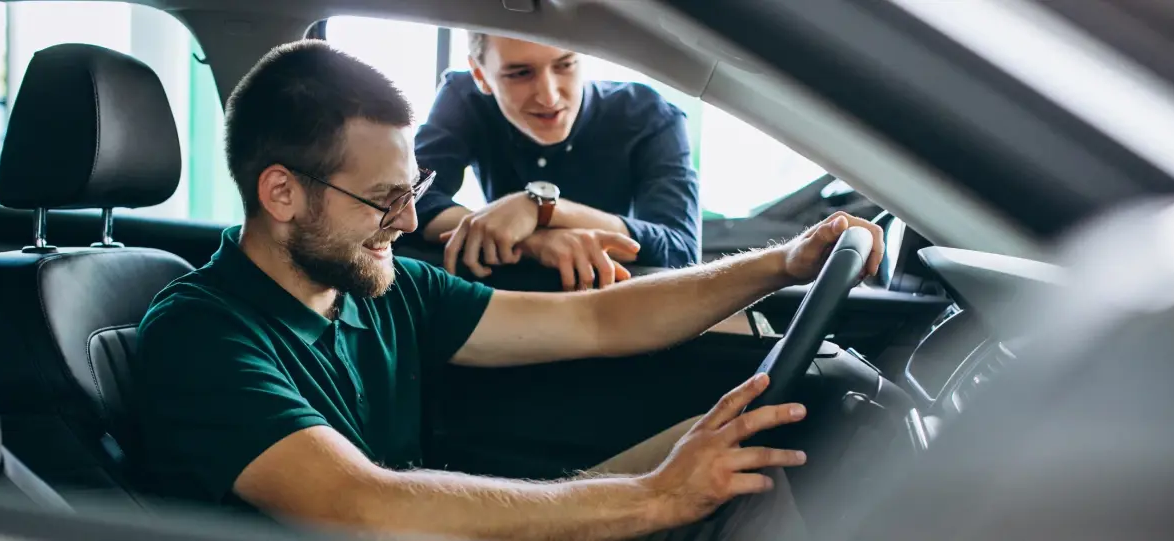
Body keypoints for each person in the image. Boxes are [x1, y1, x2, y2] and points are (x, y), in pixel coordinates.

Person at [132, 39, 884, 541]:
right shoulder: (200, 335)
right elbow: (362, 505)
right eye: (383, 199)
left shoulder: (381, 290)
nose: (408, 219)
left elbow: (596, 321)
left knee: (749, 458)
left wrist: (780, 263)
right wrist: (655, 495)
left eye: (414, 190)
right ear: (282, 193)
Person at [413, 32, 702, 291]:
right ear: (480, 75)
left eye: (565, 65)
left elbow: (681, 252)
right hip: (505, 299)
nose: (549, 97)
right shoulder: (464, 97)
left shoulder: (650, 115)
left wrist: (542, 209)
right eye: (520, 73)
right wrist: (532, 242)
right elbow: (407, 203)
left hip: (615, 301)